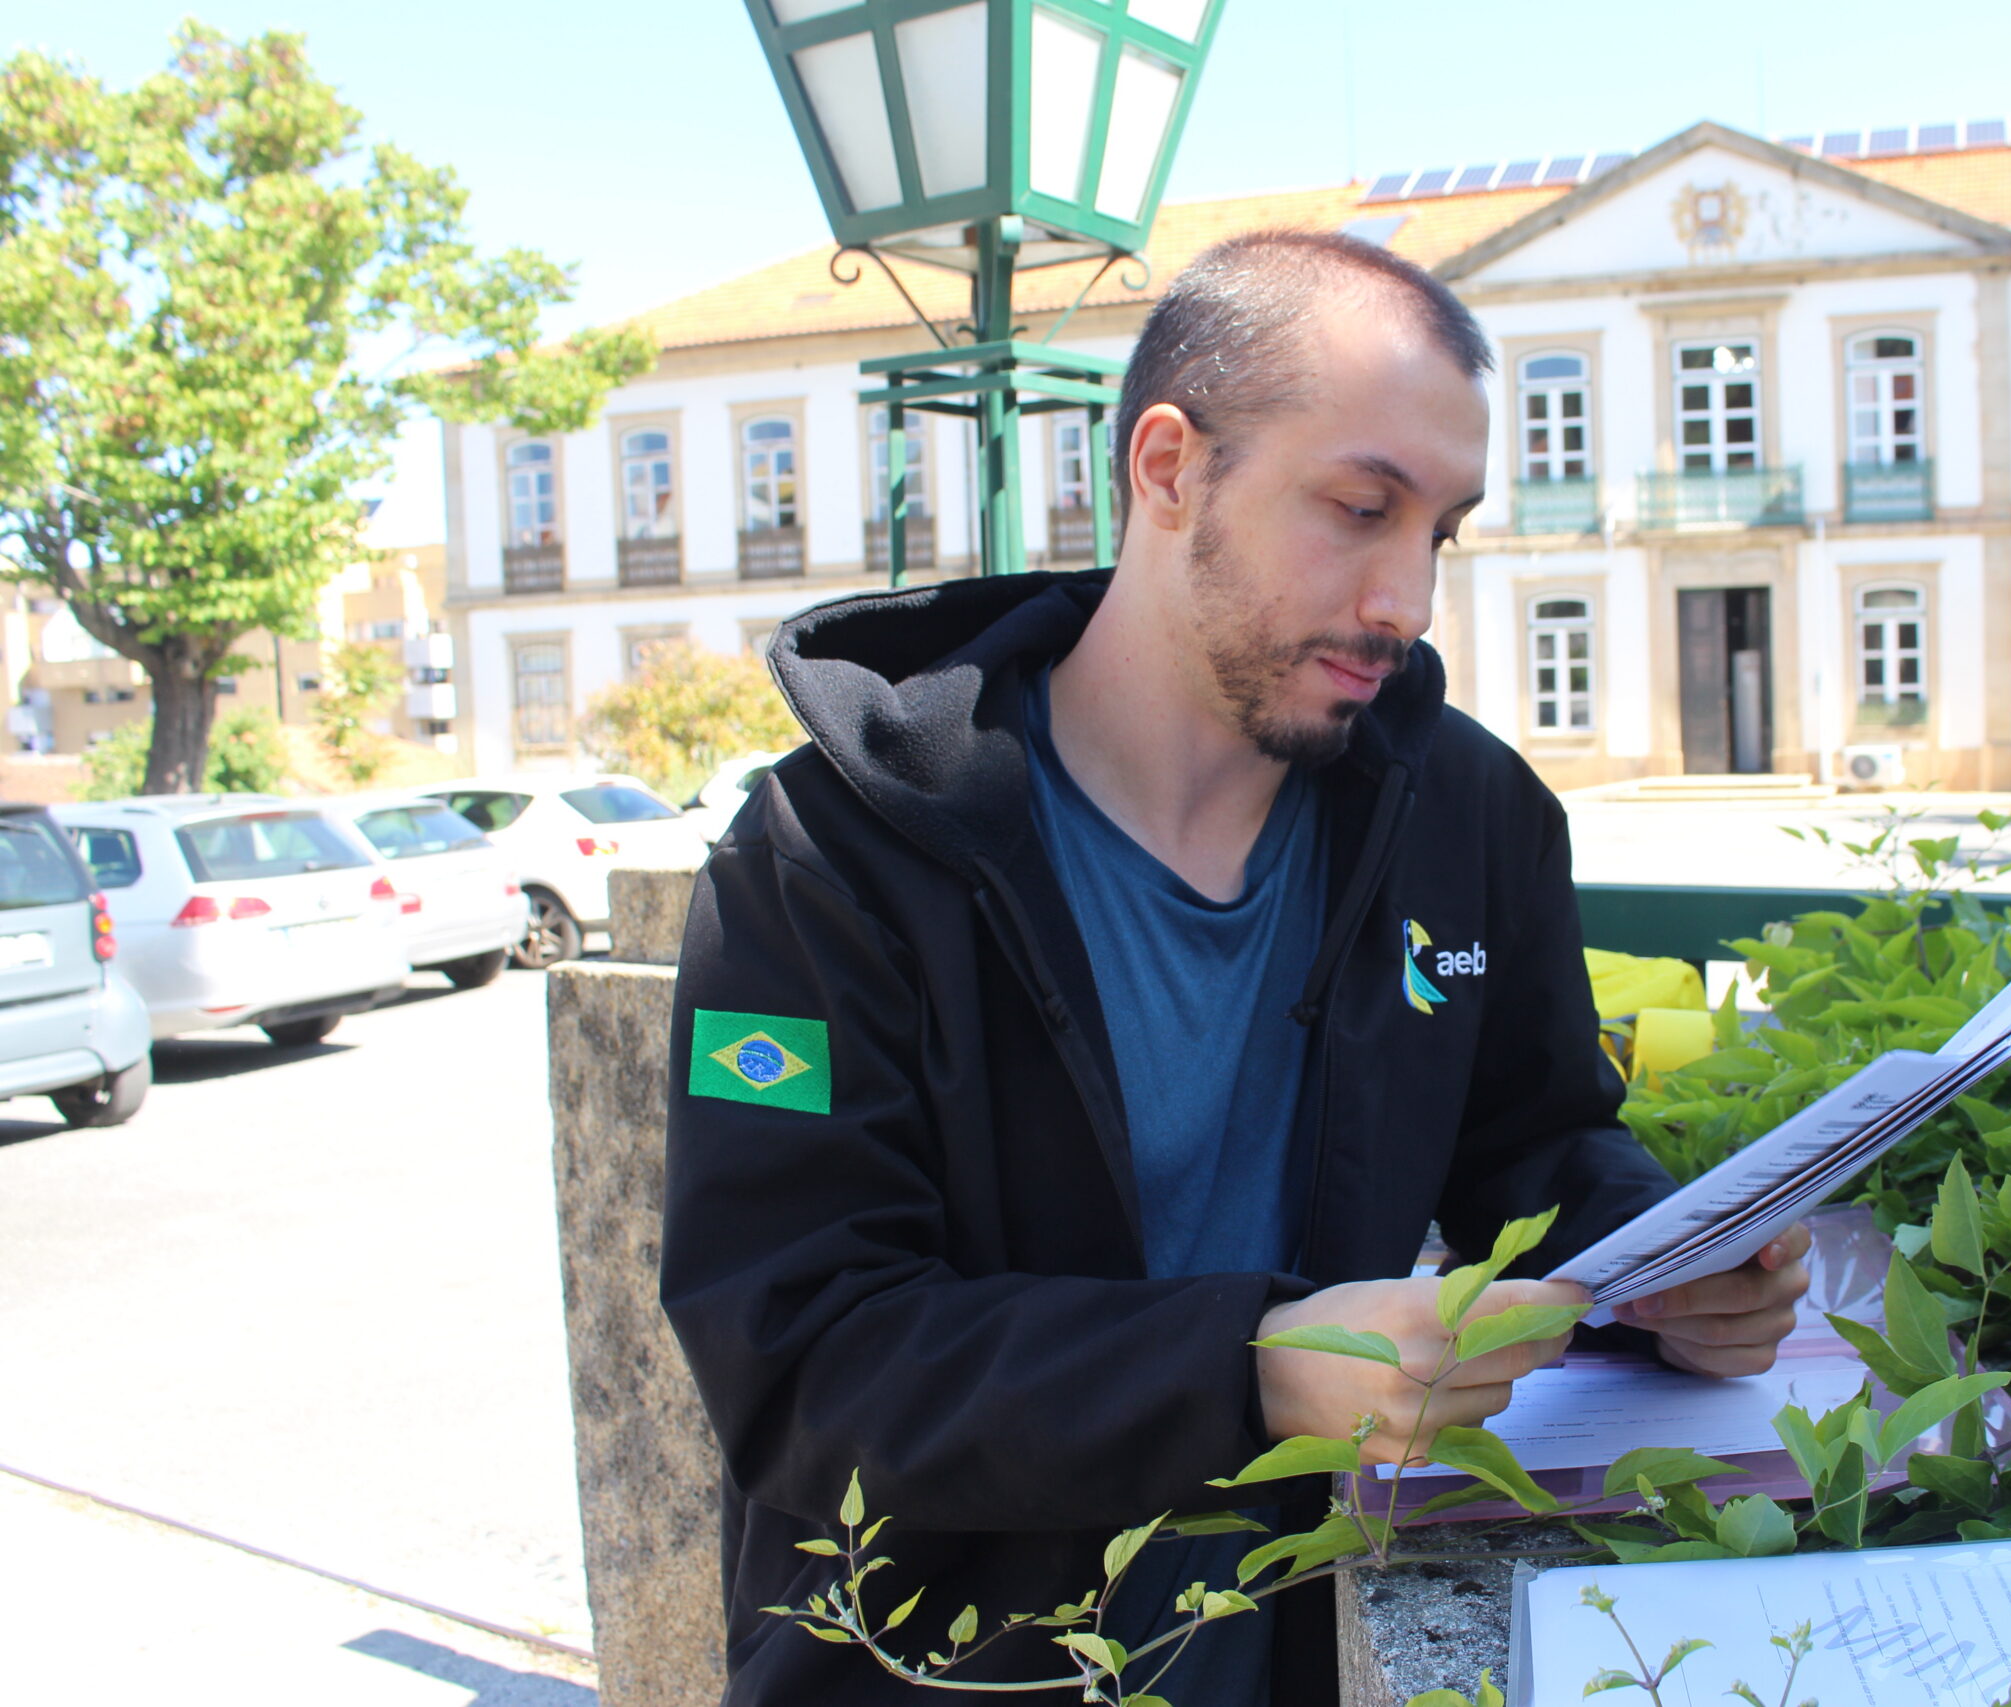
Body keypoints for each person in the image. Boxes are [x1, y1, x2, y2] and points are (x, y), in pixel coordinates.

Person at [659, 229, 1813, 1706]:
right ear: (1166, 470)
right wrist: (1250, 1367)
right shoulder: (835, 853)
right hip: (940, 1672)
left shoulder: (1465, 811)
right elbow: (803, 1362)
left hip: (1308, 1651)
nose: (1408, 597)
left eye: (1442, 531)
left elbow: (1531, 1134)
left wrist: (1662, 1258)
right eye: (1358, 507)